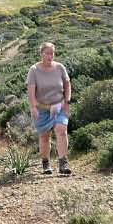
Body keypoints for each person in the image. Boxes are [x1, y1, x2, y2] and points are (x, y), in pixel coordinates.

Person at [27, 41, 72, 175]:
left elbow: (67, 85)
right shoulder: (34, 70)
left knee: (61, 130)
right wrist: (33, 107)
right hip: (42, 108)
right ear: (41, 54)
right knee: (45, 137)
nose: (50, 56)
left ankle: (63, 163)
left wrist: (67, 102)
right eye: (47, 53)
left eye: (52, 53)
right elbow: (31, 91)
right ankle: (46, 163)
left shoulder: (60, 68)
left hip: (59, 106)